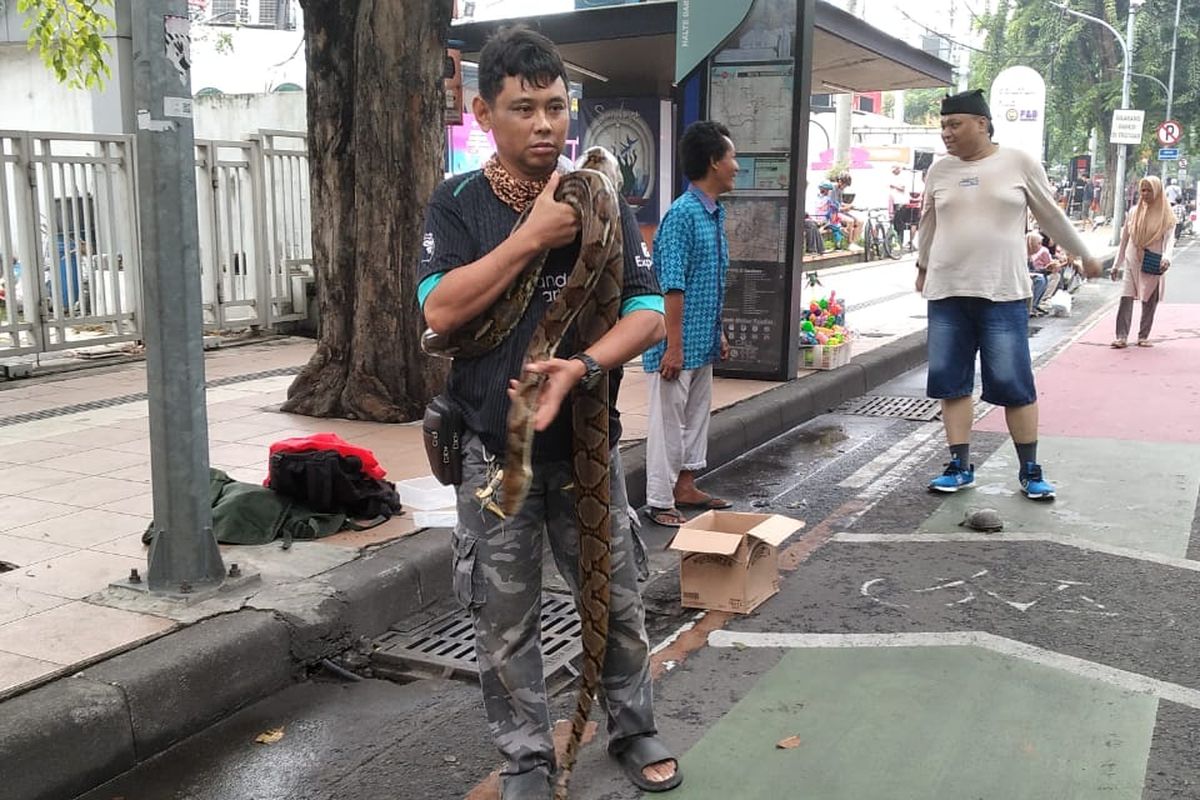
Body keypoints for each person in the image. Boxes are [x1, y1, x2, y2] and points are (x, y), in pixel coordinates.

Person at [416, 26, 680, 798]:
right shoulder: (457, 202)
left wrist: (586, 366)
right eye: (523, 108)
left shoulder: (601, 196)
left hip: (586, 443)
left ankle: (635, 727)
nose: (543, 124)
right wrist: (531, 238)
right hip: (492, 454)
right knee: (504, 621)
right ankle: (528, 757)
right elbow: (441, 309)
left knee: (619, 597)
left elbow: (646, 311)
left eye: (556, 108)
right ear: (483, 113)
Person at [916, 89, 1101, 500]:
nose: (947, 133)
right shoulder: (939, 171)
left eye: (955, 124)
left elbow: (1051, 214)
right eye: (943, 126)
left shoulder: (1017, 162)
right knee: (951, 384)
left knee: (1014, 383)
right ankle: (960, 465)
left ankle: (1030, 470)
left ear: (982, 124)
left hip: (1003, 293)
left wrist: (1084, 254)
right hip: (947, 292)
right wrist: (923, 266)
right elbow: (929, 224)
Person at [642, 121, 737, 528]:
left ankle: (686, 485)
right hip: (677, 343)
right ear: (714, 162)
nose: (736, 165)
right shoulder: (682, 215)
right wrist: (673, 346)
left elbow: (708, 279)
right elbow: (672, 284)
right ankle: (660, 499)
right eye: (731, 157)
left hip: (701, 340)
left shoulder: (712, 213)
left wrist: (719, 331)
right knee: (667, 423)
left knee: (696, 416)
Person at [1111, 176, 1175, 349]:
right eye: (1143, 190)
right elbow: (1124, 240)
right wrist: (1116, 264)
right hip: (1132, 260)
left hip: (1153, 261)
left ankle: (1143, 336)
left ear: (1157, 192)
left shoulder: (1167, 215)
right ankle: (1121, 336)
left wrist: (1166, 258)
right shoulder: (1133, 212)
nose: (1145, 194)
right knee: (1126, 297)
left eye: (1149, 190)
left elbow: (1170, 240)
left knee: (1149, 300)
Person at [832, 173, 862, 244]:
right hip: (832, 213)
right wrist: (846, 208)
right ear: (840, 181)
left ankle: (854, 243)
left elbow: (840, 202)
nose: (845, 187)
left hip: (839, 211)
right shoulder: (832, 189)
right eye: (844, 185)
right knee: (850, 221)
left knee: (860, 222)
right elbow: (833, 206)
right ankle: (849, 243)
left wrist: (850, 206)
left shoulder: (840, 189)